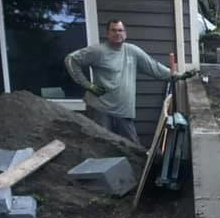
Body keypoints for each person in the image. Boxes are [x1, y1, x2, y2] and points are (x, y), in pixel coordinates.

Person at [65, 19, 194, 146]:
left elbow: (155, 68)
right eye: (113, 30)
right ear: (107, 33)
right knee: (101, 146)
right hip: (100, 109)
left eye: (120, 30)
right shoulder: (98, 51)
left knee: (132, 147)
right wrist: (88, 85)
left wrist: (179, 76)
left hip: (123, 110)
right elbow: (71, 60)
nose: (117, 33)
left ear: (125, 33)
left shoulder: (132, 51)